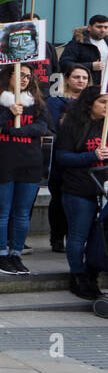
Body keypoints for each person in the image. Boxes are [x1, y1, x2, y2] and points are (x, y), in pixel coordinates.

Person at [0, 63, 52, 275]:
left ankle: (16, 253)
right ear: (8, 76)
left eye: (28, 76)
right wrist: (8, 114)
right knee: (1, 211)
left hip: (30, 163)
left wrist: (7, 129)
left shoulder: (36, 102)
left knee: (23, 213)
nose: (24, 79)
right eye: (19, 75)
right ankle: (1, 255)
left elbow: (42, 128)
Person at [53, 86, 108, 301]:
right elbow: (63, 158)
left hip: (103, 191)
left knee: (99, 238)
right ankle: (77, 276)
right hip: (79, 189)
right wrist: (91, 155)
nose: (106, 107)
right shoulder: (73, 125)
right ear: (90, 103)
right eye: (103, 102)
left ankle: (92, 276)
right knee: (78, 236)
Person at [47, 65, 92, 253]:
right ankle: (57, 236)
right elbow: (54, 129)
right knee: (58, 200)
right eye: (76, 77)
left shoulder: (93, 102)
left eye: (84, 78)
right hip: (62, 160)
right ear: (67, 78)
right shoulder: (55, 101)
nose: (81, 81)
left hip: (83, 161)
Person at [58, 15, 108, 91]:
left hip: (105, 88)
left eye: (106, 27)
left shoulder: (106, 42)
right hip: (85, 89)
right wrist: (90, 66)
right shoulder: (78, 42)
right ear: (89, 28)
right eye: (99, 27)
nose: (103, 30)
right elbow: (64, 64)